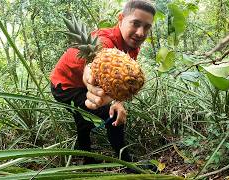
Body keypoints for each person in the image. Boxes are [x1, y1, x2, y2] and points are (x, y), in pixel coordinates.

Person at [50, 0, 155, 164]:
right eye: (135, 23)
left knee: (85, 116)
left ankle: (87, 158)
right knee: (111, 115)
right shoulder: (104, 40)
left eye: (147, 26)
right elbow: (92, 66)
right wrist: (94, 80)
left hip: (81, 85)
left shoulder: (132, 45)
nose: (141, 32)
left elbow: (121, 80)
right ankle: (127, 163)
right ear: (120, 19)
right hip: (65, 86)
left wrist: (117, 100)